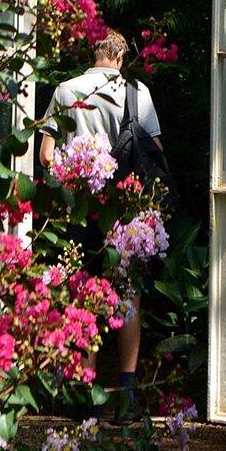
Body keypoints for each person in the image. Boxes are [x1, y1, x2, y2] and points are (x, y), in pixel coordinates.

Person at [40, 28, 162, 411]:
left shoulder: (65, 90)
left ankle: (83, 392)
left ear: (94, 54)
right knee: (128, 297)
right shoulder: (138, 93)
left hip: (82, 207)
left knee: (82, 292)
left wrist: (74, 175)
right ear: (121, 58)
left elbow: (45, 155)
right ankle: (125, 393)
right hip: (125, 211)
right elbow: (154, 151)